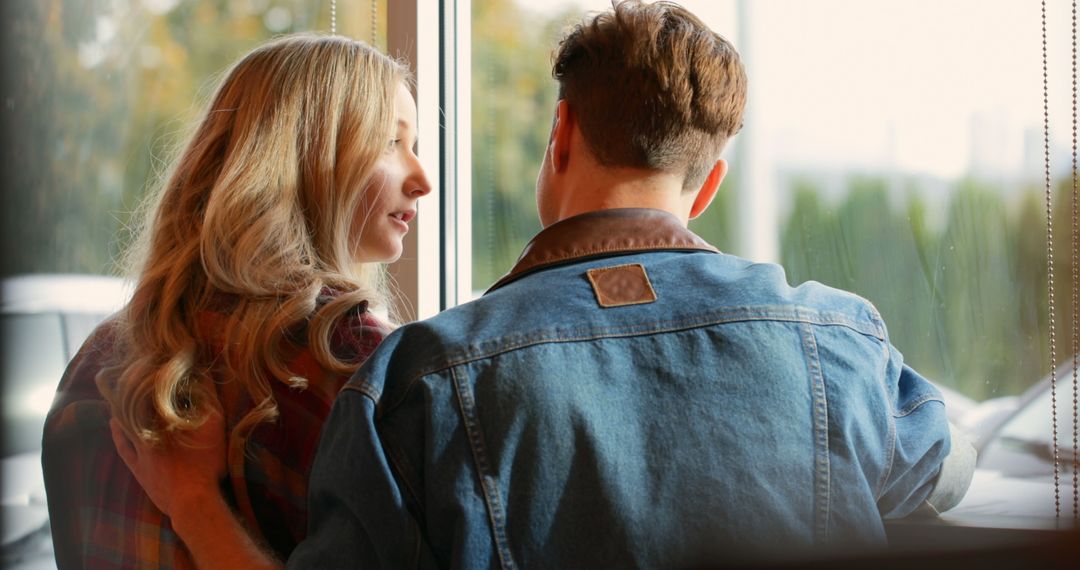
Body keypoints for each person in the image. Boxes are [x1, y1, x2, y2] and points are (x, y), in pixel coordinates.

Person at [116, 1, 976, 567]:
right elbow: (949, 467)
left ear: (561, 136)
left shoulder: (412, 385)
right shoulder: (841, 343)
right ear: (708, 186)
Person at [42, 33, 431, 569]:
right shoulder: (354, 359)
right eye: (392, 142)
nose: (423, 180)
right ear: (306, 153)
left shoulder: (100, 358)